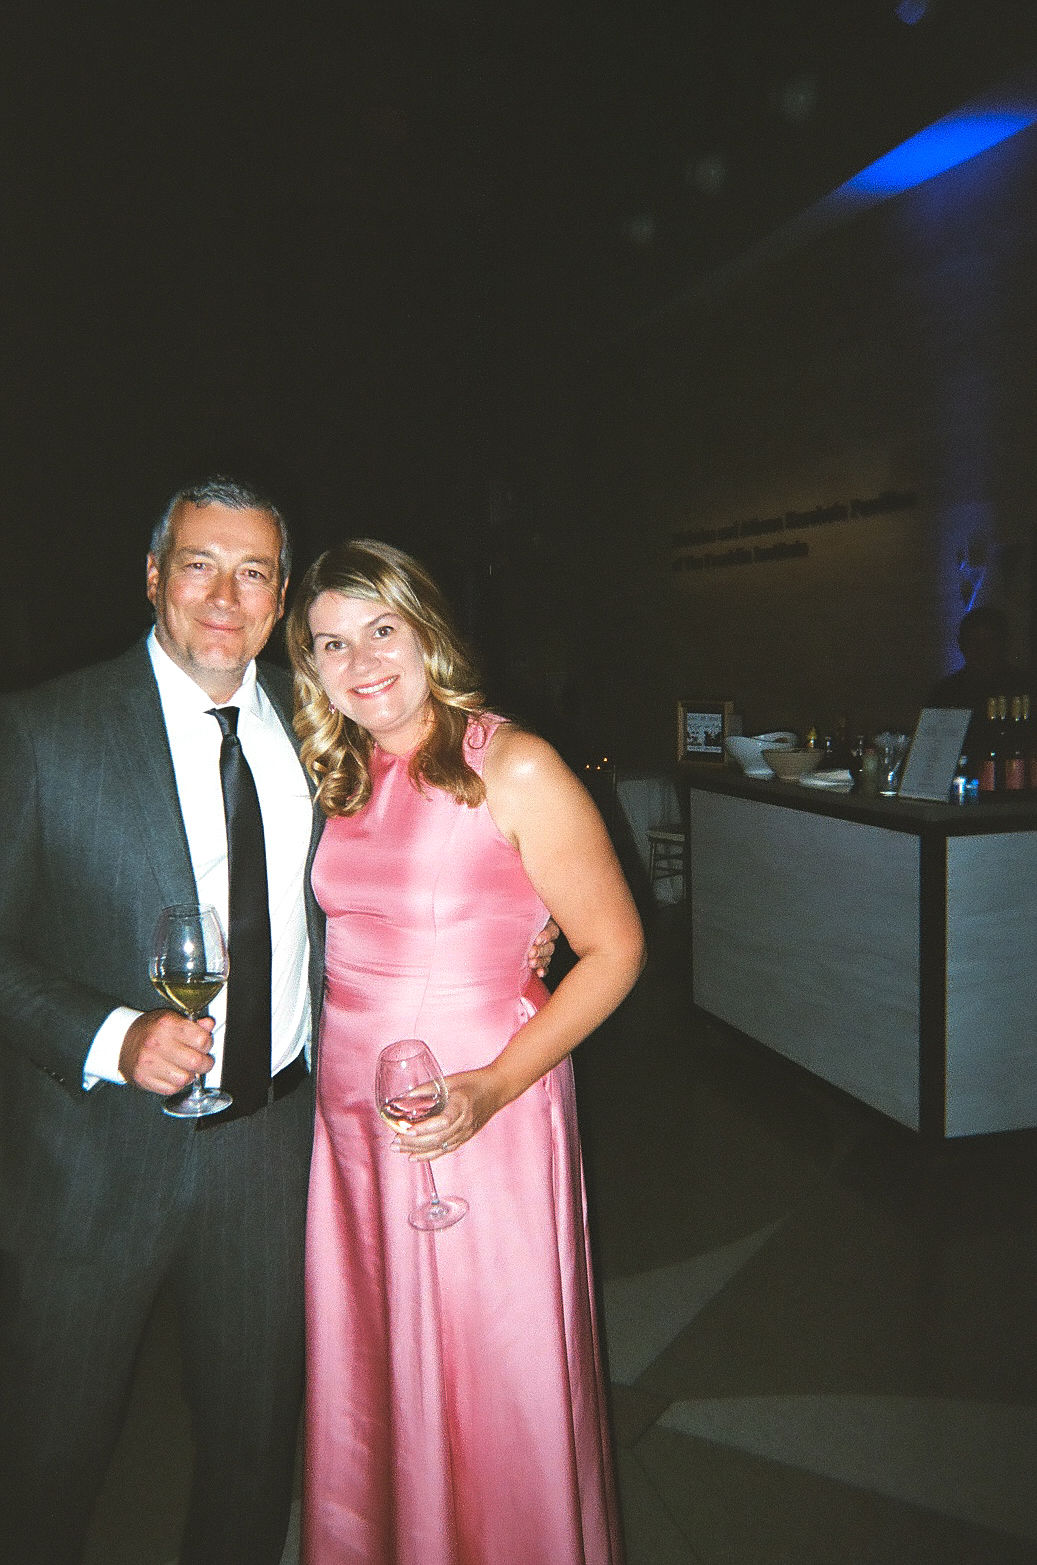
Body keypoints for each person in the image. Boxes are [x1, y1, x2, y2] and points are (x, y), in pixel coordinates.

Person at [285, 539, 646, 1564]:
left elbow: (615, 950)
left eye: (380, 629)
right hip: (357, 1115)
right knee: (381, 1359)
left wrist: (492, 1085)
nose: (360, 661)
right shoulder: (341, 769)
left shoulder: (511, 761)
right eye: (330, 643)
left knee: (487, 1363)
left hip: (484, 1101)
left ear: (425, 627)